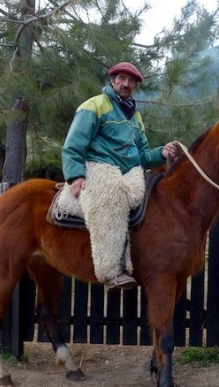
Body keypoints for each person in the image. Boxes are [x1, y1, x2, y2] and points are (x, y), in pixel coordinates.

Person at [61, 62, 179, 289]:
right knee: (111, 197)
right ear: (113, 80)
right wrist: (76, 176)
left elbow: (143, 155)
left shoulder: (135, 116)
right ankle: (110, 271)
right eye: (121, 78)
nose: (126, 84)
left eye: (131, 80)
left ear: (135, 85)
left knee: (146, 200)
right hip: (99, 166)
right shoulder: (94, 105)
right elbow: (74, 144)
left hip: (129, 171)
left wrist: (160, 153)